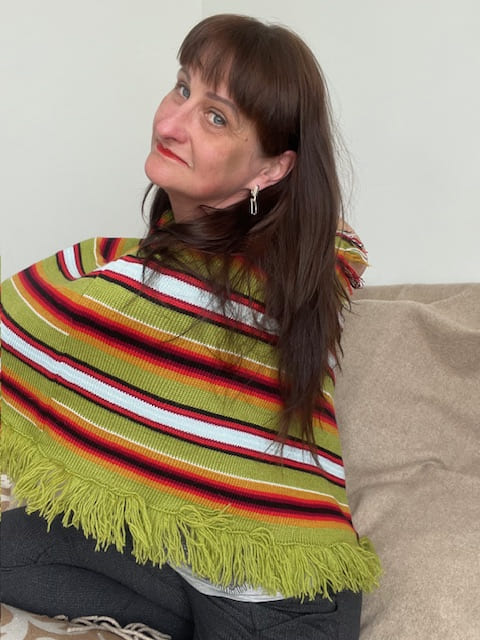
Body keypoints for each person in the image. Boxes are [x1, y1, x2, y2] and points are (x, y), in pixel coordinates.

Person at [0, 13, 380, 640]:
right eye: (182, 87)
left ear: (271, 170)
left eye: (216, 117)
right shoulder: (168, 268)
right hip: (177, 555)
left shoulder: (234, 281)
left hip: (283, 599)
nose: (172, 124)